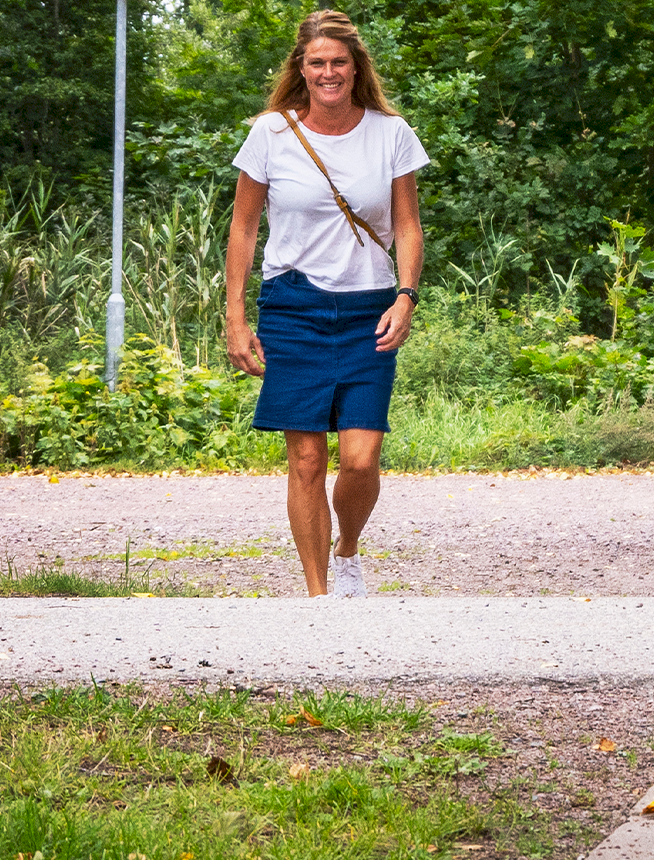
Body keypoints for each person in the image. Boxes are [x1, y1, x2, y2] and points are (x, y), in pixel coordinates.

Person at [224, 9, 428, 598]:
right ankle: (319, 599)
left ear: (355, 67)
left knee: (361, 460)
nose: (328, 72)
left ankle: (346, 550)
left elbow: (409, 227)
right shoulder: (271, 133)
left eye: (339, 62)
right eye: (317, 63)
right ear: (302, 68)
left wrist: (406, 297)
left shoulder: (391, 133)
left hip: (369, 308)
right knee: (308, 460)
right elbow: (243, 228)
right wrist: (236, 318)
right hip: (293, 305)